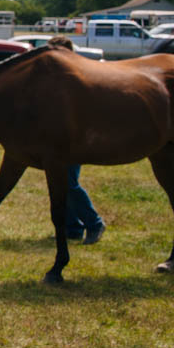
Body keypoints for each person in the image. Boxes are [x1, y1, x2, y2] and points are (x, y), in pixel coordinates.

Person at [47, 36, 106, 244]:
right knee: (62, 183)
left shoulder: (77, 78)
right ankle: (73, 227)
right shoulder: (54, 79)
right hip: (57, 139)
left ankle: (94, 222)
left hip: (74, 140)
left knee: (69, 183)